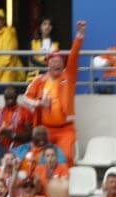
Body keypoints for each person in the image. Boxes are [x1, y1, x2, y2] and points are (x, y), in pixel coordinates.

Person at [21, 21, 84, 163]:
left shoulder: (69, 76)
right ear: (48, 64)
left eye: (59, 61)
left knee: (66, 158)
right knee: (38, 159)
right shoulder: (39, 80)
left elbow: (74, 56)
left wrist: (79, 35)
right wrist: (39, 103)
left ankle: (64, 182)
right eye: (53, 61)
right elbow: (26, 98)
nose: (56, 63)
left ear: (63, 63)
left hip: (65, 129)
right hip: (44, 130)